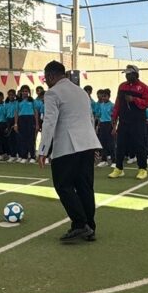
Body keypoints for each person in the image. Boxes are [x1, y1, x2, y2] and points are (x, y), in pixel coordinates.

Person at [38, 60, 102, 242]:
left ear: (50, 76)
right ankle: (90, 227)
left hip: (67, 147)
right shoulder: (81, 92)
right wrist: (95, 144)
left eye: (45, 78)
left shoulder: (52, 93)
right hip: (87, 144)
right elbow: (90, 119)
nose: (46, 82)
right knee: (85, 187)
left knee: (63, 185)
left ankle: (80, 224)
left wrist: (42, 150)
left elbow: (49, 122)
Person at [109, 65, 148, 180]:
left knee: (140, 145)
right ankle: (118, 169)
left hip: (138, 121)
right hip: (124, 121)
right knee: (120, 145)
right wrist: (114, 116)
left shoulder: (144, 88)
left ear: (136, 74)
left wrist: (134, 99)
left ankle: (142, 169)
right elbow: (118, 102)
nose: (127, 76)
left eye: (129, 74)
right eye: (126, 74)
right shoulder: (122, 86)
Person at [93, 89, 115, 168]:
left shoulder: (112, 105)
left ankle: (114, 161)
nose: (103, 98)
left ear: (109, 96)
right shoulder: (101, 105)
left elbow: (114, 117)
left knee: (111, 143)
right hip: (102, 125)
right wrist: (98, 124)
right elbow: (98, 115)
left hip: (109, 124)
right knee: (102, 143)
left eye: (105, 96)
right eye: (102, 96)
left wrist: (114, 127)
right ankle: (104, 160)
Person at [16, 87, 38, 163]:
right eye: (23, 91)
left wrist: (37, 123)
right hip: (21, 119)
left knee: (31, 138)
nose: (25, 93)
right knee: (23, 139)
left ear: (28, 92)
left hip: (30, 119)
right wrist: (16, 123)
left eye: (26, 91)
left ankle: (33, 156)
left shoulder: (32, 101)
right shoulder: (18, 101)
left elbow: (35, 112)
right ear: (21, 92)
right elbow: (16, 113)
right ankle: (24, 156)